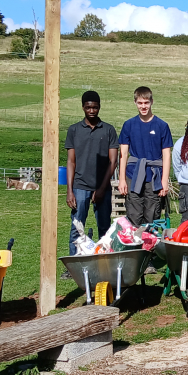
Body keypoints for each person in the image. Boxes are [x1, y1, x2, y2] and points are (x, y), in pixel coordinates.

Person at [64, 90, 118, 254]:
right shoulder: (74, 130)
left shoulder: (108, 130)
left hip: (103, 187)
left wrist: (101, 189)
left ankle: (104, 263)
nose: (92, 111)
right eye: (88, 107)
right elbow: (71, 161)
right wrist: (69, 190)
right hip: (80, 186)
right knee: (77, 226)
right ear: (83, 108)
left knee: (104, 228)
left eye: (95, 107)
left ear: (99, 107)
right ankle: (74, 262)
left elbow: (113, 161)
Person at [118, 86, 173, 226]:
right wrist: (122, 179)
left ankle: (150, 247)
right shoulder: (129, 125)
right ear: (135, 103)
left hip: (154, 177)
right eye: (140, 103)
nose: (143, 106)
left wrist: (165, 181)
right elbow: (123, 154)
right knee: (134, 216)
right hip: (133, 175)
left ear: (152, 102)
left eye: (146, 102)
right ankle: (135, 246)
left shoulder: (162, 126)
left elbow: (166, 155)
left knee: (152, 217)